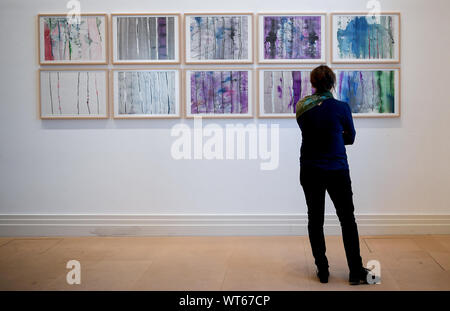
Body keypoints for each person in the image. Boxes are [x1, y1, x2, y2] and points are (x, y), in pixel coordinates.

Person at [296, 65, 372, 285]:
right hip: (337, 169)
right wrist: (337, 136)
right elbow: (351, 138)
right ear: (332, 83)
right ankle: (356, 272)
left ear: (313, 83)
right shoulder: (341, 107)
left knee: (315, 219)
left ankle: (322, 270)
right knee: (347, 220)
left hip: (310, 169)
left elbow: (308, 131)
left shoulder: (302, 107)